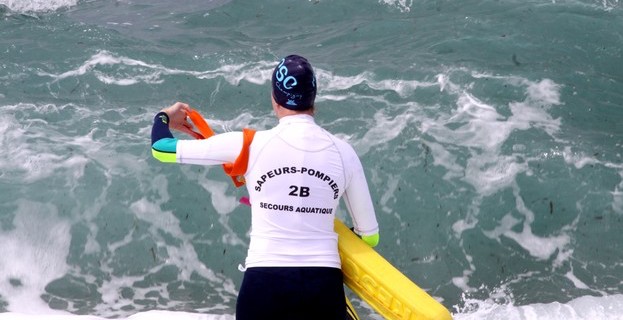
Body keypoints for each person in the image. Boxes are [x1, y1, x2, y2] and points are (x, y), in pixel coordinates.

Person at [151, 54, 379, 319]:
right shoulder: (344, 153)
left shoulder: (249, 144)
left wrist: (164, 117)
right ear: (313, 96)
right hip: (322, 285)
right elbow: (369, 236)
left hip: (264, 285)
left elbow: (161, 150)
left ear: (274, 97)